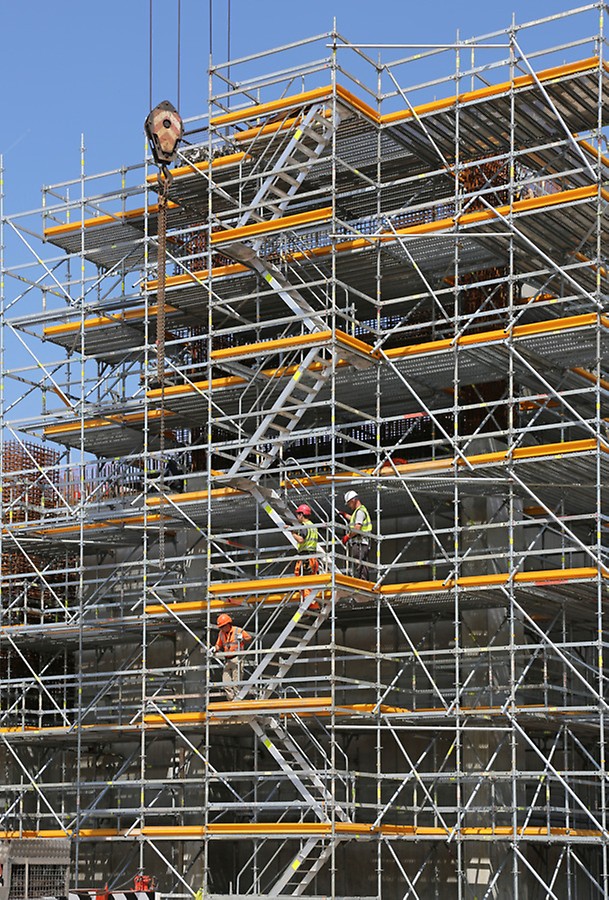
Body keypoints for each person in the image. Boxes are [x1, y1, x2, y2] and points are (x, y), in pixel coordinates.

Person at [210, 612, 252, 700]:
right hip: (227, 660)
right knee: (226, 683)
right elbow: (219, 645)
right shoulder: (221, 633)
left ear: (228, 624)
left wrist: (242, 638)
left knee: (236, 683)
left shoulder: (238, 630)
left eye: (223, 626)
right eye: (220, 627)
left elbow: (249, 638)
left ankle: (237, 701)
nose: (222, 628)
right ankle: (232, 701)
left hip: (237, 659)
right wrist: (214, 648)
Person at [342, 490, 372, 581]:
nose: (349, 506)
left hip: (360, 543)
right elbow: (355, 519)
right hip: (361, 542)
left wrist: (348, 536)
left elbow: (357, 528)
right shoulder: (359, 511)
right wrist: (345, 515)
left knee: (360, 563)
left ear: (353, 500)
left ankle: (362, 581)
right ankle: (362, 580)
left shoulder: (360, 512)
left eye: (349, 503)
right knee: (360, 563)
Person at [293, 503, 319, 600]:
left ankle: (309, 604)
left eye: (298, 514)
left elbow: (301, 540)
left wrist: (292, 533)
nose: (297, 517)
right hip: (313, 558)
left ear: (301, 514)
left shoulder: (304, 526)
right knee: (310, 583)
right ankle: (312, 603)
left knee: (304, 581)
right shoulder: (312, 526)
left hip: (306, 558)